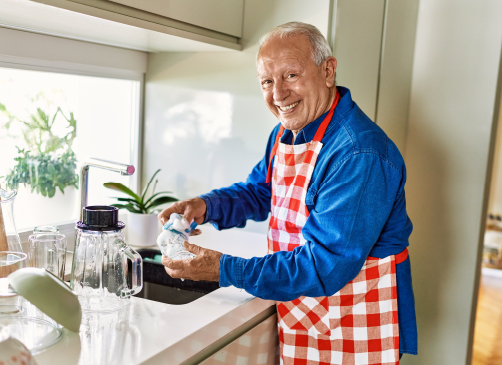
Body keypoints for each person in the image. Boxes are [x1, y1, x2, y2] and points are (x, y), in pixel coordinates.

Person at [159, 21, 417, 364]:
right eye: (267, 81)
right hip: (307, 310)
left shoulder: (360, 154)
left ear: (328, 71)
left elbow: (325, 266)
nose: (278, 95)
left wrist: (223, 268)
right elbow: (262, 190)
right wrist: (205, 206)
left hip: (355, 321)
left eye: (290, 76)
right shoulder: (286, 132)